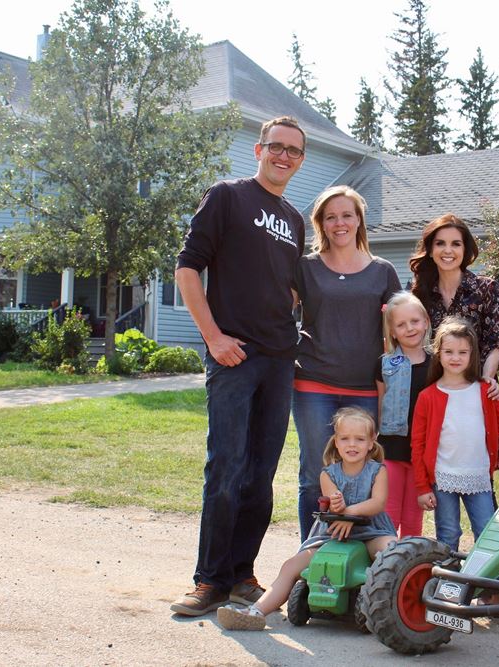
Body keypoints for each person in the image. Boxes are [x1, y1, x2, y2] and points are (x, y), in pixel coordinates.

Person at [170, 116, 307, 617]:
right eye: (277, 147)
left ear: (300, 159)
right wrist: (213, 336)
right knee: (225, 466)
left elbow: (292, 285)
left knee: (261, 473)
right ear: (259, 149)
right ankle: (209, 580)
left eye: (293, 150)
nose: (284, 156)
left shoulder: (294, 219)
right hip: (234, 356)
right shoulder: (227, 196)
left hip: (278, 359)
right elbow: (187, 268)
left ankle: (241, 575)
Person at [216, 407, 397, 630]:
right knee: (291, 565)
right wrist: (337, 506)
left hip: (371, 530)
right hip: (333, 533)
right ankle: (255, 612)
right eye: (345, 438)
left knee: (391, 551)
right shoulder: (328, 474)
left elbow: (377, 503)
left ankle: (389, 608)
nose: (352, 444)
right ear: (336, 442)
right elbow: (332, 507)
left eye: (359, 439)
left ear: (371, 442)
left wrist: (348, 512)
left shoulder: (378, 471)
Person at [293, 186, 401, 540]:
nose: (339, 222)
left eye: (347, 215)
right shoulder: (305, 268)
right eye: (331, 216)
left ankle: (359, 549)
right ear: (321, 224)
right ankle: (312, 552)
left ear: (359, 220)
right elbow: (274, 311)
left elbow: (397, 333)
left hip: (364, 389)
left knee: (364, 471)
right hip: (312, 383)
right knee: (314, 473)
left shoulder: (382, 272)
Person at [412, 317, 499, 552]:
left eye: (462, 352)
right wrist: (423, 487)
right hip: (443, 477)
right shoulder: (428, 396)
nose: (455, 358)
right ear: (438, 353)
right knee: (448, 533)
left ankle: (488, 585)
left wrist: (495, 397)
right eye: (449, 351)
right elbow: (418, 444)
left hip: (478, 475)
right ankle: (448, 583)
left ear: (472, 355)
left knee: (486, 532)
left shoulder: (484, 390)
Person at [409, 214, 499, 401]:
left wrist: (486, 379)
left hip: (477, 389)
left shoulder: (486, 288)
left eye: (456, 244)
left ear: (465, 249)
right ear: (430, 250)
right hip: (433, 392)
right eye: (440, 244)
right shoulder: (419, 294)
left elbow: (496, 342)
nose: (448, 250)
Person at [375, 291, 432, 537]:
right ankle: (385, 568)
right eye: (401, 324)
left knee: (413, 517)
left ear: (426, 322)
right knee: (389, 514)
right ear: (393, 331)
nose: (409, 328)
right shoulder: (384, 364)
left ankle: (409, 569)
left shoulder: (438, 364)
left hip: (421, 452)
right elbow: (379, 404)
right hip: (391, 448)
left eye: (415, 321)